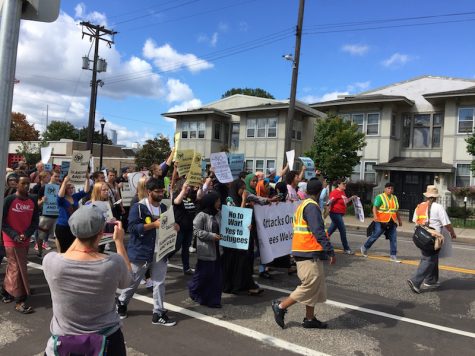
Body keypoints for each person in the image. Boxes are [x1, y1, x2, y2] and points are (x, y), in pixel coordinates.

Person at [42, 205, 132, 356]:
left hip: (64, 342)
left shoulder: (51, 261)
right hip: (107, 339)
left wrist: (78, 236)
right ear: (101, 232)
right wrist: (119, 242)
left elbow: (69, 252)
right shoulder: (113, 263)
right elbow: (127, 282)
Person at [271, 179, 335, 329]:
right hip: (308, 253)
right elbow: (318, 231)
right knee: (309, 285)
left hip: (307, 251)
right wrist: (330, 250)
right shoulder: (311, 207)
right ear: (319, 192)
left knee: (316, 286)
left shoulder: (303, 205)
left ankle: (310, 318)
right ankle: (280, 306)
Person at [117, 178, 178, 326]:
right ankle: (122, 302)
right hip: (142, 251)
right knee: (133, 281)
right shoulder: (138, 207)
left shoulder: (164, 207)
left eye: (162, 191)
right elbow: (132, 229)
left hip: (161, 250)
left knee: (159, 283)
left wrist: (175, 226)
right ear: (149, 192)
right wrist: (152, 225)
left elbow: (169, 225)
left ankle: (158, 313)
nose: (160, 194)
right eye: (157, 192)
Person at [407, 185, 457, 294]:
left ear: (426, 196)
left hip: (421, 237)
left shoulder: (419, 206)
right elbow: (447, 224)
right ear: (436, 197)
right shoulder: (438, 207)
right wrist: (452, 233)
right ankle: (415, 281)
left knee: (431, 257)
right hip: (433, 239)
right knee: (428, 260)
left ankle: (431, 280)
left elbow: (415, 220)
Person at [1, 174, 39, 313]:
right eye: (23, 183)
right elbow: (3, 222)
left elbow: (35, 221)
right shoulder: (9, 200)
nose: (27, 186)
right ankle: (19, 300)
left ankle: (6, 290)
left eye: (28, 183)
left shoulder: (32, 200)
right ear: (17, 184)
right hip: (11, 239)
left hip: (25, 239)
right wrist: (14, 235)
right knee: (16, 267)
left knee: (15, 267)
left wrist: (26, 234)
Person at [222, 179, 262, 295]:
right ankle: (235, 285)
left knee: (243, 261)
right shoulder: (230, 199)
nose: (244, 191)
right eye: (242, 188)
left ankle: (244, 284)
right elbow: (238, 214)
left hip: (241, 236)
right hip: (232, 238)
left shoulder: (240, 198)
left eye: (245, 188)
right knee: (236, 260)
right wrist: (244, 200)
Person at [188, 192, 223, 308]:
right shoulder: (201, 215)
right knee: (203, 275)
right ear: (211, 202)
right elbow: (196, 231)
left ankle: (213, 300)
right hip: (206, 251)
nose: (219, 203)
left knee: (216, 277)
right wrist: (212, 236)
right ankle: (195, 291)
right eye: (217, 201)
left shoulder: (219, 214)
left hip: (218, 250)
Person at [361, 182, 403, 262]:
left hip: (392, 221)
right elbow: (374, 207)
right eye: (388, 188)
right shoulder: (380, 197)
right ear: (385, 189)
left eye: (391, 188)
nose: (390, 190)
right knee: (376, 235)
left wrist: (399, 220)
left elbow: (396, 210)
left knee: (393, 238)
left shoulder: (394, 198)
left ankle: (393, 255)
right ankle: (365, 247)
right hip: (380, 221)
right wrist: (375, 216)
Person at [55, 175, 90, 253]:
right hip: (63, 227)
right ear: (64, 189)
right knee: (64, 250)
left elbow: (86, 191)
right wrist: (65, 182)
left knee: (73, 249)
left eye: (72, 188)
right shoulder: (61, 200)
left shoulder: (75, 197)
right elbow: (60, 195)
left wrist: (87, 178)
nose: (71, 190)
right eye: (68, 188)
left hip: (73, 227)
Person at [173, 180, 198, 275]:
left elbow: (199, 196)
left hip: (189, 228)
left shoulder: (189, 197)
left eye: (188, 186)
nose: (188, 188)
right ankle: (163, 260)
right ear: (181, 187)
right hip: (179, 228)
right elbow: (176, 202)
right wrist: (183, 190)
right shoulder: (176, 195)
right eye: (186, 186)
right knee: (175, 247)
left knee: (186, 248)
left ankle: (186, 268)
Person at [327, 178, 356, 254]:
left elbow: (345, 201)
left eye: (345, 183)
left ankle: (321, 242)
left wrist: (352, 198)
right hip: (335, 213)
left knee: (330, 230)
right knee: (342, 230)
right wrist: (328, 204)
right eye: (343, 184)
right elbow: (330, 201)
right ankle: (346, 248)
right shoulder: (335, 192)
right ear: (338, 185)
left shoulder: (342, 192)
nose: (345, 185)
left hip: (339, 214)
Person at [35, 171, 61, 257]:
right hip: (45, 215)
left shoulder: (60, 188)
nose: (57, 178)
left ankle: (59, 254)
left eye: (58, 177)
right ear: (51, 177)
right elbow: (37, 204)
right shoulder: (43, 188)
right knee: (41, 235)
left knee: (58, 235)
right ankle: (39, 252)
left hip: (57, 215)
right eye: (55, 176)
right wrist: (42, 200)